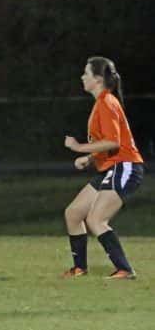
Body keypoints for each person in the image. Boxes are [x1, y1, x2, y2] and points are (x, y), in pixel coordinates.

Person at [62, 56, 144, 280]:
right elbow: (109, 141)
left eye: (86, 73)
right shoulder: (102, 102)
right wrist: (90, 158)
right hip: (112, 167)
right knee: (73, 213)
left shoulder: (106, 102)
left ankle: (125, 269)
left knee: (96, 219)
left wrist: (79, 147)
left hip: (124, 166)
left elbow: (114, 142)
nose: (82, 77)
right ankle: (79, 269)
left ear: (97, 79)